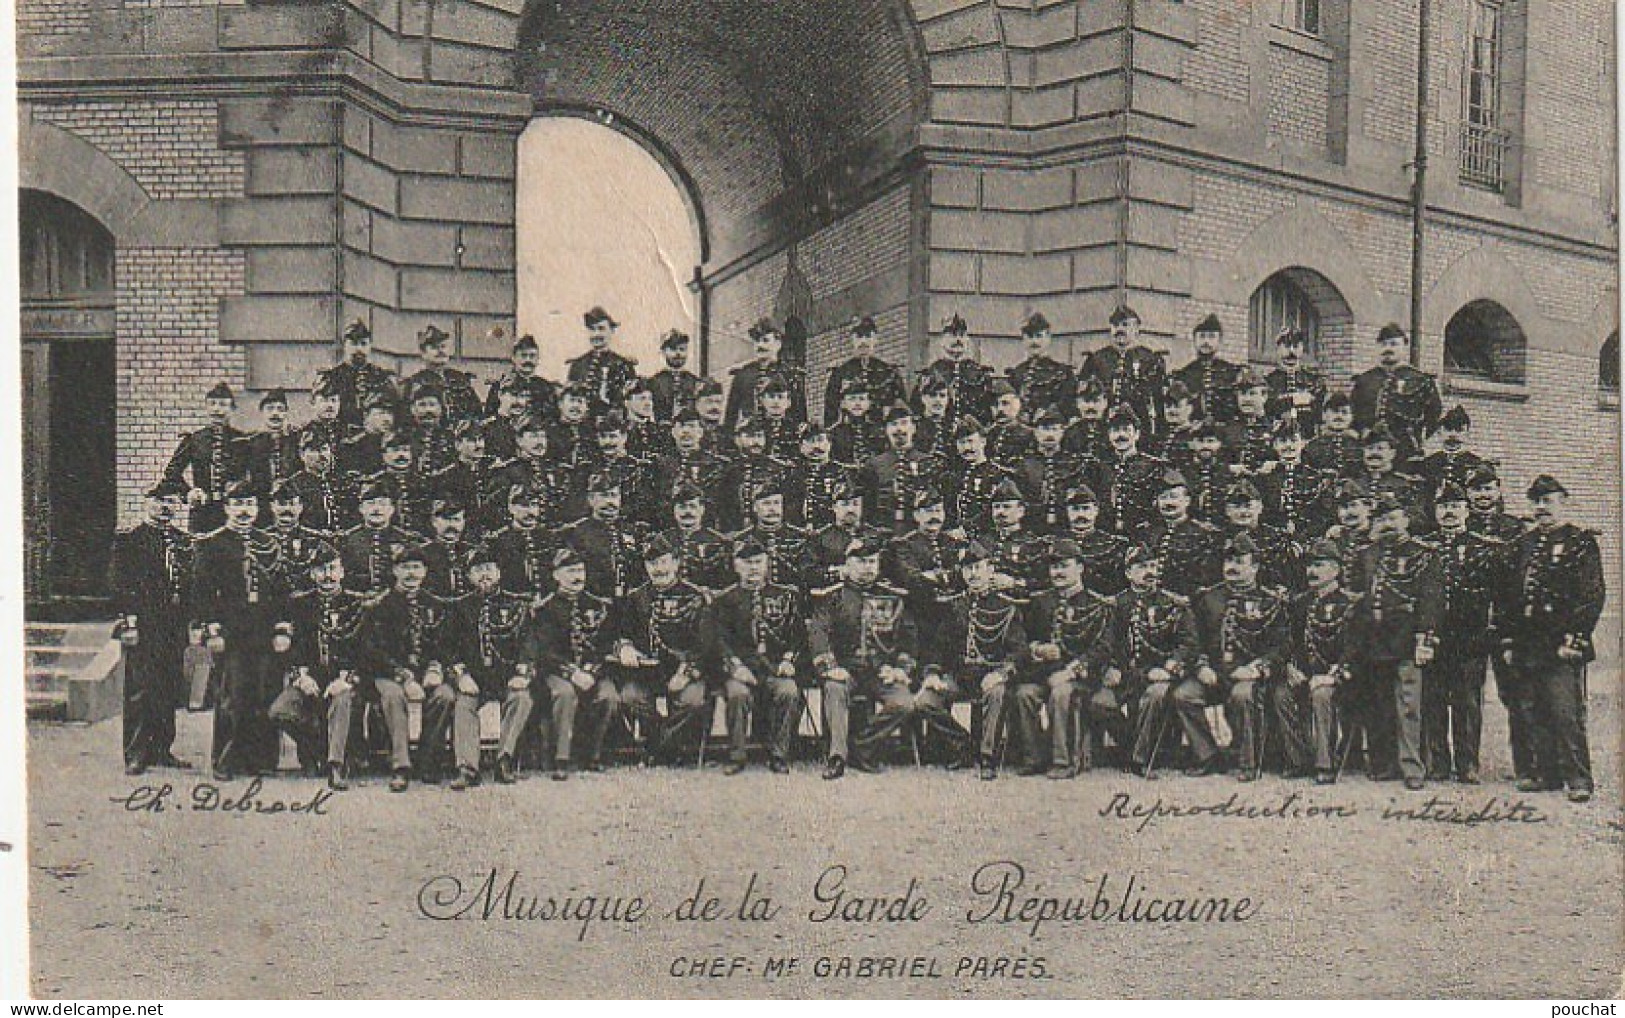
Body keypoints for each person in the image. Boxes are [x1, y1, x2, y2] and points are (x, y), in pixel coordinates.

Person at [1501, 475, 1605, 802]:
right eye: (1536, 501)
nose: (1541, 508)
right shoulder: (1524, 543)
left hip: (1561, 641)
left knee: (1565, 712)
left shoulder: (1580, 542)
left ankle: (1578, 779)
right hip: (1528, 642)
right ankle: (1547, 774)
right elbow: (1511, 597)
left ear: (1564, 502)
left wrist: (1574, 638)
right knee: (1533, 709)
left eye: (1548, 500)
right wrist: (1508, 641)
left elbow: (1591, 596)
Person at [189, 479, 287, 781]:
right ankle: (226, 761)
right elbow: (203, 593)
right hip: (231, 634)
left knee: (265, 694)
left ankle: (262, 760)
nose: (244, 512)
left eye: (249, 505)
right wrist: (212, 631)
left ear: (257, 509)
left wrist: (283, 629)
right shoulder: (212, 544)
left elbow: (282, 592)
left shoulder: (269, 543)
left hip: (264, 632)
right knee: (232, 696)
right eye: (238, 505)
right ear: (227, 509)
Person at [1349, 491, 1442, 790]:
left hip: (1405, 638)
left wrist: (1425, 639)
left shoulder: (1423, 554)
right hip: (1374, 640)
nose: (1387, 524)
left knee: (1408, 706)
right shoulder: (1368, 554)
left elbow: (1431, 601)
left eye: (1393, 517)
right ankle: (1383, 763)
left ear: (1406, 519)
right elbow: (1358, 597)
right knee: (1379, 704)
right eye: (1382, 519)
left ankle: (1412, 766)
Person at [808, 536, 921, 779]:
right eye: (860, 562)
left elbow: (909, 638)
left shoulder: (894, 597)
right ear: (847, 565)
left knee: (904, 704)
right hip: (845, 670)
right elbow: (818, 632)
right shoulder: (831, 597)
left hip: (881, 672)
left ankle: (862, 746)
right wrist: (830, 666)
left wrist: (901, 668)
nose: (866, 567)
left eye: (871, 562)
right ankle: (837, 757)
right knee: (835, 689)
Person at [1186, 533, 1291, 780]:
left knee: (1242, 695)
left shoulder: (1270, 600)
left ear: (1254, 567)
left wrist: (1257, 668)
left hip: (1248, 676)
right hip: (1214, 675)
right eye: (1228, 562)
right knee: (1185, 695)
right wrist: (1201, 666)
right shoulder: (1207, 598)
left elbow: (1282, 645)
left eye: (1239, 562)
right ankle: (1208, 756)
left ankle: (1248, 762)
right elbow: (1193, 640)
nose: (1231, 567)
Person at [609, 534, 720, 765]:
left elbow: (705, 645)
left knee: (692, 702)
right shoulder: (635, 597)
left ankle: (658, 749)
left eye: (663, 562)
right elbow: (623, 633)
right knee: (630, 698)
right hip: (648, 673)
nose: (658, 569)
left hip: (685, 670)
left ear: (676, 563)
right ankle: (668, 748)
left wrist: (686, 674)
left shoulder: (695, 597)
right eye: (652, 563)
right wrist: (626, 648)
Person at [110, 479, 195, 775]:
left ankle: (162, 749)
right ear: (147, 502)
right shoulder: (130, 540)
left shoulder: (184, 541)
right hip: (144, 626)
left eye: (172, 501)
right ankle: (136, 753)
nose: (165, 507)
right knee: (140, 690)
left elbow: (191, 585)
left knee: (168, 687)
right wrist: (129, 621)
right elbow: (121, 586)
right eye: (159, 500)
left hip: (174, 626)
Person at [1423, 482, 1505, 784]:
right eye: (1443, 507)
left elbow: (1495, 595)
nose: (1449, 513)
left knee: (1467, 702)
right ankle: (1439, 763)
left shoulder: (1484, 548)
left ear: (1466, 511)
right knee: (1433, 700)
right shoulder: (1425, 548)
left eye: (1455, 506)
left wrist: (1487, 632)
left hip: (1469, 638)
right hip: (1434, 637)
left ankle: (1467, 763)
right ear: (1435, 512)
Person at [1017, 539, 1119, 777]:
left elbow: (1103, 648)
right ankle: (1034, 757)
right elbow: (1024, 639)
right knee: (1025, 694)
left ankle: (1064, 761)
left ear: (1080, 568)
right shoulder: (1040, 601)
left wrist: (1071, 671)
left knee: (1062, 693)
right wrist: (1038, 649)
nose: (1058, 572)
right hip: (1043, 673)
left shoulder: (1098, 604)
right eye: (1054, 567)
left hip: (1081, 677)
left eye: (1064, 566)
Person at [434, 549, 535, 789]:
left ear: (499, 573)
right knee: (464, 703)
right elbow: (446, 647)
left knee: (521, 699)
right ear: (469, 576)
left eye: (489, 569)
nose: (484, 575)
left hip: (507, 676)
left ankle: (505, 760)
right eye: (478, 571)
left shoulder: (517, 605)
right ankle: (468, 768)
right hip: (475, 678)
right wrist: (461, 675)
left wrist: (522, 674)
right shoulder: (459, 608)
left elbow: (530, 644)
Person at [352, 544, 449, 791]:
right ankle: (401, 766)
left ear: (425, 571)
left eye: (416, 567)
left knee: (444, 696)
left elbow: (444, 644)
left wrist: (434, 670)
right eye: (405, 567)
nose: (411, 574)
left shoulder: (436, 605)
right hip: (387, 674)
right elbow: (373, 652)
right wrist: (404, 678)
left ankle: (429, 761)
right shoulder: (379, 606)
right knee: (394, 697)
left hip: (425, 674)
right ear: (395, 570)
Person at [269, 549, 368, 789]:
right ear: (312, 574)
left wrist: (346, 678)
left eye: (333, 569)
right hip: (311, 677)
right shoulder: (300, 604)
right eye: (321, 570)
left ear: (342, 572)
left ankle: (335, 765)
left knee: (342, 700)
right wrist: (300, 675)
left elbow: (365, 649)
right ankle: (316, 748)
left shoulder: (357, 603)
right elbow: (292, 648)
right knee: (280, 710)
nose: (328, 576)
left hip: (346, 679)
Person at [928, 541, 1028, 779]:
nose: (972, 574)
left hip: (991, 675)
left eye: (978, 568)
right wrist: (932, 674)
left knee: (996, 694)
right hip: (960, 676)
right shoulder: (954, 606)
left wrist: (1001, 674)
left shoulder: (1006, 606)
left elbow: (1020, 650)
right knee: (925, 701)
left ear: (990, 569)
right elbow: (938, 648)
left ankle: (987, 757)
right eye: (967, 569)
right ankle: (964, 746)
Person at [711, 540, 808, 774]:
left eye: (758, 562)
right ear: (736, 566)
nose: (753, 568)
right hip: (741, 669)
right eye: (746, 563)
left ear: (767, 564)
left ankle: (779, 754)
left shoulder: (786, 596)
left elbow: (798, 636)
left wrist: (788, 660)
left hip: (774, 668)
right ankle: (737, 755)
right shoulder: (725, 600)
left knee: (789, 691)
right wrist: (735, 666)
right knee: (738, 694)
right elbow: (718, 640)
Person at [525, 548, 618, 778]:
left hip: (591, 671)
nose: (578, 576)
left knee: (609, 696)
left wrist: (591, 672)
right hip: (556, 673)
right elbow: (544, 652)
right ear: (556, 575)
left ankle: (593, 754)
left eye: (580, 570)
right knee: (564, 694)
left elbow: (607, 645)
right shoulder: (544, 609)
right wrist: (572, 673)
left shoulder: (599, 606)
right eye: (570, 571)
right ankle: (561, 758)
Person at [1280, 539, 1361, 784]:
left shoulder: (1349, 603)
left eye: (1320, 565)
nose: (1312, 571)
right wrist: (1289, 666)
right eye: (1309, 566)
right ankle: (1298, 759)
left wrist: (1333, 675)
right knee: (1280, 693)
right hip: (1306, 673)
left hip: (1343, 677)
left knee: (1322, 695)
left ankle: (1325, 762)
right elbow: (1289, 641)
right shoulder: (1300, 603)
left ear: (1336, 570)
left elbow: (1355, 648)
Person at [1118, 544, 1199, 774]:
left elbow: (1189, 644)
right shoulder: (1116, 606)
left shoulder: (1175, 604)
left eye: (1153, 565)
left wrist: (1170, 666)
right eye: (1142, 566)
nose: (1149, 571)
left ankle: (1139, 759)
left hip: (1164, 673)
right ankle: (1128, 747)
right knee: (1101, 703)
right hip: (1129, 674)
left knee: (1155, 694)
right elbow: (1110, 646)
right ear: (1128, 573)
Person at [1350, 323, 1443, 466]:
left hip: (1405, 448)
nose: (1388, 348)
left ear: (1404, 346)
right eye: (1383, 344)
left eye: (1394, 344)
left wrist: (1419, 440)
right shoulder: (1364, 380)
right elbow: (1353, 413)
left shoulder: (1420, 380)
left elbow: (1434, 415)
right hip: (1369, 448)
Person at [164, 382, 247, 533]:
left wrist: (240, 485)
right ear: (206, 408)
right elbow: (171, 472)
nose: (217, 409)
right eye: (212, 404)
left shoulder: (243, 441)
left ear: (232, 409)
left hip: (234, 513)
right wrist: (188, 492)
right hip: (202, 513)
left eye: (223, 404)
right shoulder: (195, 439)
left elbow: (255, 473)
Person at [1079, 305, 1165, 435]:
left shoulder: (1150, 359)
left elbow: (1158, 399)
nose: (1119, 329)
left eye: (1125, 325)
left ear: (1136, 329)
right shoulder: (1096, 359)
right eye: (1115, 325)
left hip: (1140, 426)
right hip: (1104, 426)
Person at [1086, 405, 1165, 542]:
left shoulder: (1154, 466)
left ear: (1137, 434)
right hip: (1106, 538)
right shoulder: (1098, 467)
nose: (1120, 435)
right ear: (1109, 435)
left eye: (1126, 430)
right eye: (1115, 430)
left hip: (1142, 538)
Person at [317, 319, 398, 434]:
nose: (359, 349)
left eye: (363, 344)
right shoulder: (331, 377)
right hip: (341, 439)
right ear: (344, 346)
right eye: (353, 344)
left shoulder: (383, 378)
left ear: (370, 346)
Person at [726, 318, 806, 432]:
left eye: (765, 340)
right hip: (752, 438)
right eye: (757, 341)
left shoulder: (791, 375)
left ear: (778, 344)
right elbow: (731, 417)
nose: (760, 345)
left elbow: (800, 415)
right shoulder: (743, 376)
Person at [824, 315, 905, 427]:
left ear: (875, 338)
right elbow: (830, 413)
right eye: (858, 336)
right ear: (852, 339)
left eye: (867, 336)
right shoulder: (839, 373)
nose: (863, 341)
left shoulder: (890, 372)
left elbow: (901, 410)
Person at [915, 312, 993, 426]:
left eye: (961, 335)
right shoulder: (932, 372)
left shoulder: (979, 374)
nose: (958, 340)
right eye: (952, 335)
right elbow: (918, 409)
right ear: (942, 341)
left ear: (967, 341)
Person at [566, 306, 638, 418]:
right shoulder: (578, 365)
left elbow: (632, 403)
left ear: (612, 331)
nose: (596, 334)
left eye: (601, 329)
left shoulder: (624, 365)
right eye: (592, 329)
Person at [1170, 314, 1240, 425]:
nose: (1206, 341)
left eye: (1211, 337)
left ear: (1220, 341)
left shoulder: (1232, 372)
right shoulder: (1183, 374)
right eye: (1202, 336)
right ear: (1194, 340)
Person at [403, 323, 482, 422]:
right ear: (423, 353)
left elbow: (476, 412)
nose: (440, 351)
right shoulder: (415, 382)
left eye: (443, 346)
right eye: (434, 347)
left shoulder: (460, 379)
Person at [1007, 312, 1077, 424]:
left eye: (1039, 336)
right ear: (1023, 340)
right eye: (1030, 337)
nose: (1034, 342)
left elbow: (1069, 407)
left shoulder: (1063, 372)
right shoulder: (1017, 373)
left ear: (1049, 338)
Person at [1264, 328, 1328, 437]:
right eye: (1287, 346)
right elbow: (1268, 408)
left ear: (1302, 348)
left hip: (1307, 435)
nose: (1292, 351)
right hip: (1278, 437)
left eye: (1296, 346)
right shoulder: (1268, 381)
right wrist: (1294, 400)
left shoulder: (1314, 381)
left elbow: (1320, 412)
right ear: (1278, 349)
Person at [483, 333, 558, 425]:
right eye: (523, 355)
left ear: (538, 359)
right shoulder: (500, 386)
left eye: (532, 356)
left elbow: (553, 418)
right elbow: (489, 417)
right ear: (514, 358)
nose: (528, 360)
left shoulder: (546, 387)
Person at [243, 388, 300, 499]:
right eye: (270, 409)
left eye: (280, 409)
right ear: (262, 412)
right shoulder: (251, 443)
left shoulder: (296, 440)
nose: (275, 413)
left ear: (286, 413)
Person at [648, 329, 702, 422]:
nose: (678, 353)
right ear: (663, 352)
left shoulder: (694, 381)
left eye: (682, 349)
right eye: (673, 349)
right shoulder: (654, 381)